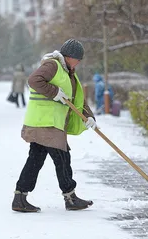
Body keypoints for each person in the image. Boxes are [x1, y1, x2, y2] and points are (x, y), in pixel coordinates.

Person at [12, 39, 97, 212]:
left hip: (49, 123)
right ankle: (70, 198)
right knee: (62, 158)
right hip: (46, 123)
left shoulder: (68, 72)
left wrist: (89, 116)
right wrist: (55, 93)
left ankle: (20, 197)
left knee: (36, 159)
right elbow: (33, 80)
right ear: (69, 56)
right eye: (78, 59)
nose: (79, 62)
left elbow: (76, 100)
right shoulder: (53, 65)